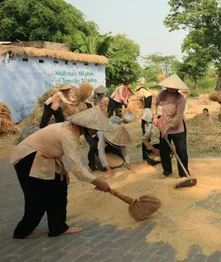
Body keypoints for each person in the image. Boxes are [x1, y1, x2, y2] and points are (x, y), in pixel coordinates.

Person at [10, 107, 111, 239]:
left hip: (45, 155)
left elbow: (54, 147)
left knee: (59, 186)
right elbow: (78, 169)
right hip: (27, 157)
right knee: (38, 197)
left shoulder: (71, 130)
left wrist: (62, 168)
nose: (96, 131)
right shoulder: (69, 135)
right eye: (95, 128)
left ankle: (57, 227)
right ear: (86, 125)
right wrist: (98, 182)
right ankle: (22, 231)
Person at [153, 74, 190, 179]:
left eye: (174, 87)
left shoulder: (181, 99)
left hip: (178, 128)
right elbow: (154, 103)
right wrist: (155, 116)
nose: (172, 89)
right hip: (163, 125)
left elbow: (178, 116)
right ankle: (167, 171)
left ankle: (183, 173)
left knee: (181, 151)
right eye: (170, 87)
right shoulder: (163, 94)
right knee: (164, 150)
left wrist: (167, 129)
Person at [134, 86, 156, 164]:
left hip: (147, 114)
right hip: (147, 114)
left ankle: (146, 155)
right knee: (146, 137)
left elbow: (139, 96)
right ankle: (146, 155)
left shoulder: (143, 91)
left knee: (145, 137)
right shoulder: (148, 94)